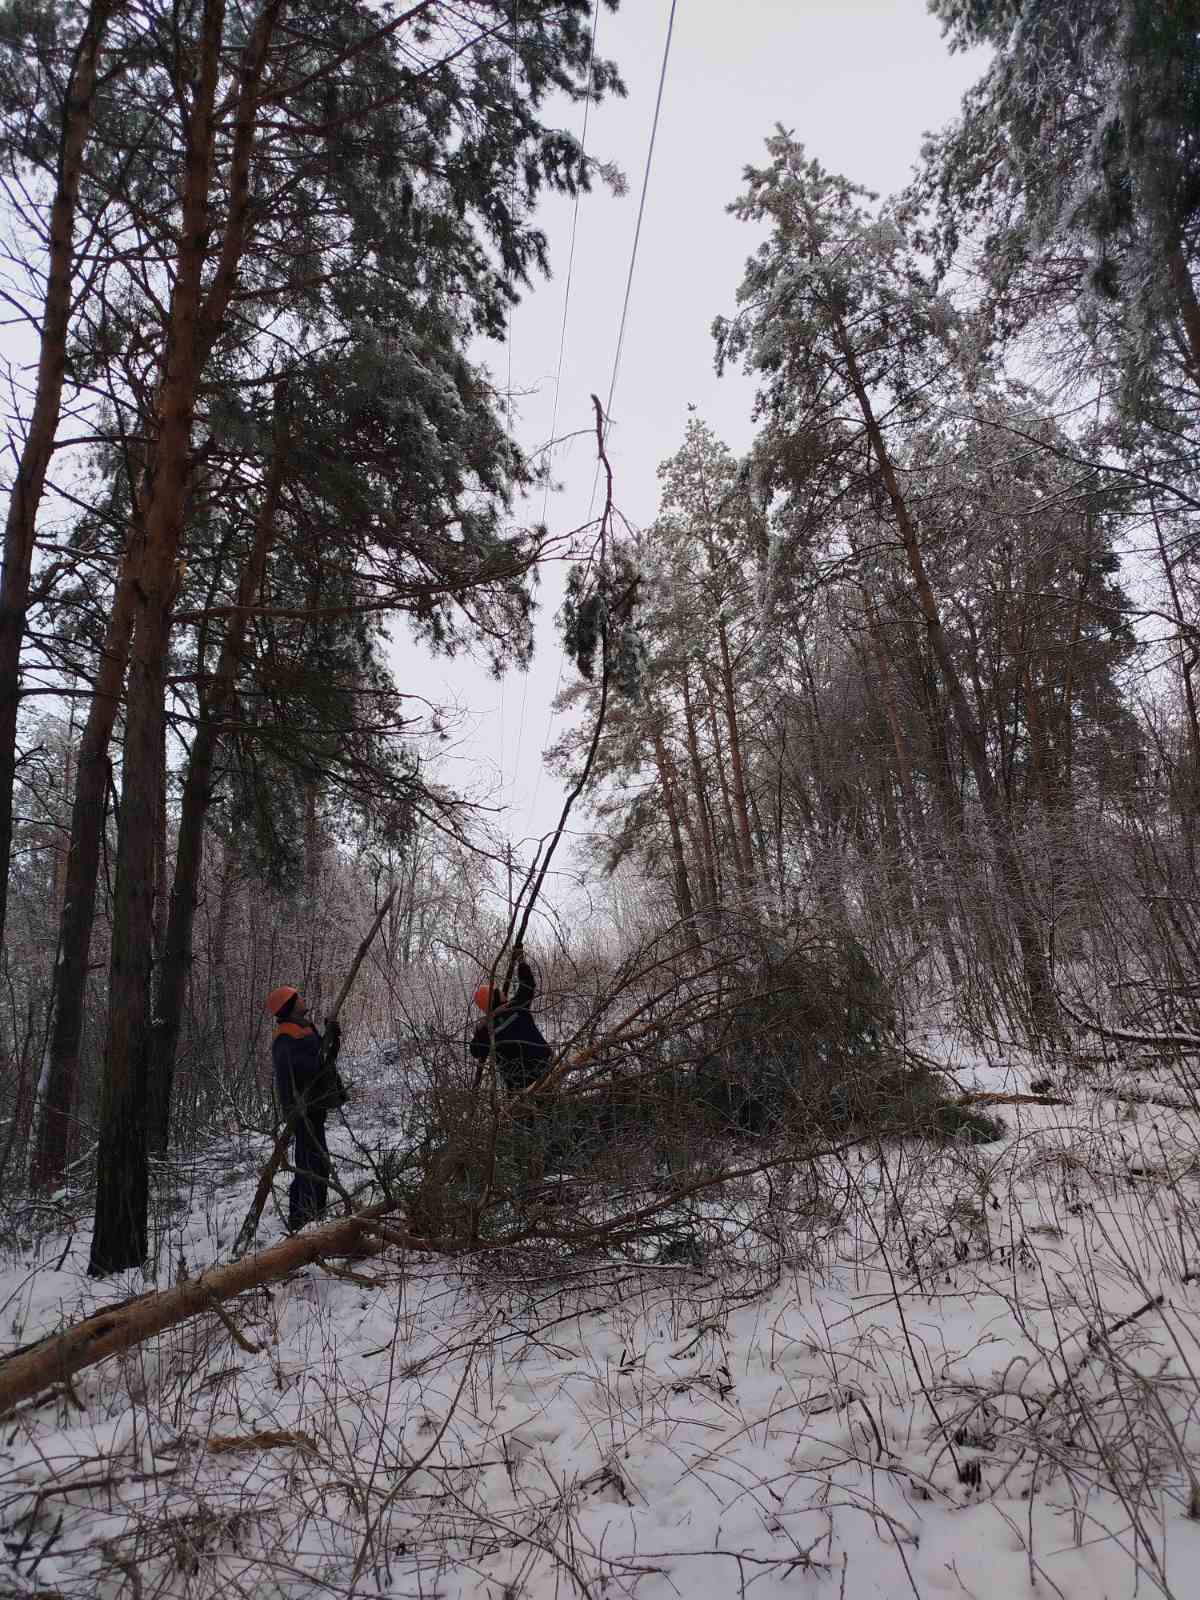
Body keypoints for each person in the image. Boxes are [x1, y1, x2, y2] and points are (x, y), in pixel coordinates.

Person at [265, 985, 344, 1231]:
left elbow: (324, 1061)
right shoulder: (285, 1038)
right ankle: (302, 1220)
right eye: (297, 997)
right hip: (303, 1110)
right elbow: (305, 1070)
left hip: (315, 1105)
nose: (302, 999)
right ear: (289, 1006)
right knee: (309, 1164)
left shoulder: (304, 1028)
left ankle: (315, 1215)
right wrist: (325, 1049)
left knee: (319, 1162)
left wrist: (332, 1038)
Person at [469, 944, 552, 1093]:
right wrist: (521, 960)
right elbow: (528, 984)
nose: (502, 992)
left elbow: (475, 1051)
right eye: (498, 991)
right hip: (544, 1068)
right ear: (494, 997)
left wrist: (480, 1028)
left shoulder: (488, 1029)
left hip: (519, 1084)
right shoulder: (516, 1005)